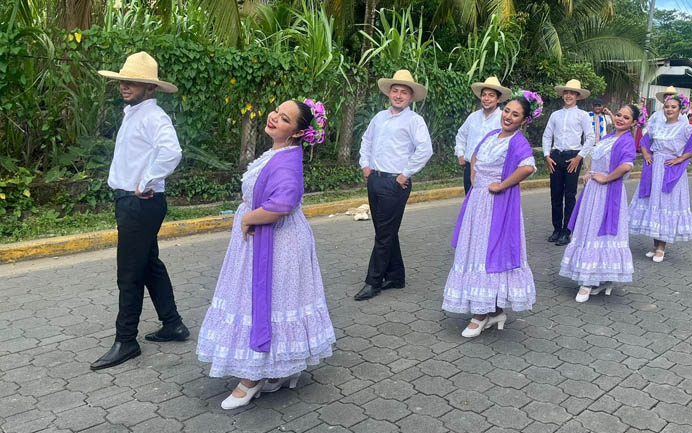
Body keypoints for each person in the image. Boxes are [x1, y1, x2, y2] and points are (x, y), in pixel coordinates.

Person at [196, 99, 336, 410]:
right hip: (267, 240)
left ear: (296, 133)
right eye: (276, 112)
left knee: (264, 301)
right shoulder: (279, 152)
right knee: (267, 301)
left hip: (277, 242)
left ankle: (252, 377)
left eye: (284, 119)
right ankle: (273, 372)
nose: (273, 118)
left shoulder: (287, 162)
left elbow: (282, 204)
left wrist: (248, 218)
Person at [91, 52, 188, 371]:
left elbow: (171, 152)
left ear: (151, 87)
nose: (125, 86)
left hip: (140, 203)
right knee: (148, 264)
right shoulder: (134, 113)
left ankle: (126, 340)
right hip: (134, 202)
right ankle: (173, 324)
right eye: (123, 80)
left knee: (129, 273)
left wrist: (147, 180)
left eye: (133, 82)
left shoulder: (153, 117)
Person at [443, 92, 540, 337]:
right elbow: (475, 155)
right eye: (507, 111)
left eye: (515, 114)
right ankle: (494, 311)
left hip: (496, 205)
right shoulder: (492, 135)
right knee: (475, 249)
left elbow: (528, 167)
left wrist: (502, 184)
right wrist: (475, 177)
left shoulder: (518, 142)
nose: (508, 116)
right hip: (477, 201)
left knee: (488, 252)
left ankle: (481, 314)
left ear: (523, 120)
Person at [355, 70, 434, 301]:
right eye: (395, 91)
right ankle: (396, 276)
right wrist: (365, 164)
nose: (399, 95)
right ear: (389, 93)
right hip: (375, 179)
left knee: (384, 234)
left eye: (404, 92)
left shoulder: (414, 121)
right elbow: (366, 140)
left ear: (411, 97)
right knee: (385, 231)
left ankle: (373, 281)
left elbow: (425, 150)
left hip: (395, 183)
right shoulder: (379, 117)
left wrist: (405, 174)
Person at [560, 105, 639, 303]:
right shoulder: (609, 137)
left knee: (598, 232)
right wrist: (590, 172)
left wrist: (607, 178)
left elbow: (627, 165)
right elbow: (597, 158)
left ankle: (588, 281)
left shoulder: (626, 141)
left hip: (608, 192)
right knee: (589, 229)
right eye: (619, 115)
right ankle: (602, 279)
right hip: (593, 191)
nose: (620, 119)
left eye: (626, 117)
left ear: (633, 123)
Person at [629, 92, 692, 262]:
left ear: (680, 110)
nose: (669, 109)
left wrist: (681, 158)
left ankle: (661, 247)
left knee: (665, 204)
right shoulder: (657, 126)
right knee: (653, 203)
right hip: (654, 169)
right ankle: (655, 245)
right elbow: (644, 142)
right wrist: (646, 154)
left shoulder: (685, 128)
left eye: (673, 107)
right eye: (667, 107)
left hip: (671, 170)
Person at [541, 79, 595, 246]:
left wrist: (579, 157)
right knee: (555, 194)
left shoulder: (583, 115)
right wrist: (547, 155)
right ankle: (557, 229)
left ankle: (567, 231)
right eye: (566, 92)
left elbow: (590, 137)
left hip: (573, 157)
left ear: (577, 96)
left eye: (572, 93)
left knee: (570, 195)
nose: (568, 96)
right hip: (556, 157)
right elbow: (547, 136)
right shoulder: (555, 115)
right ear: (562, 95)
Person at [455, 76, 512, 194]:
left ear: (498, 99)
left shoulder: (504, 119)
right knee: (470, 202)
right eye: (484, 95)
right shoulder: (473, 117)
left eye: (491, 95)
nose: (486, 98)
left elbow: (509, 143)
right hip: (470, 168)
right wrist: (460, 154)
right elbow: (461, 135)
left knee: (489, 203)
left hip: (492, 172)